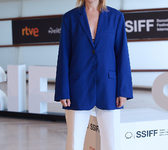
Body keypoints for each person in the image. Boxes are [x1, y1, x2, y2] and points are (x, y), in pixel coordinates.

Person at [54, 0, 133, 149]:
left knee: (112, 142)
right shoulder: (69, 18)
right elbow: (64, 55)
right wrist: (63, 90)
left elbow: (122, 54)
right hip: (78, 86)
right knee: (74, 142)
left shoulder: (116, 16)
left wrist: (123, 90)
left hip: (109, 87)